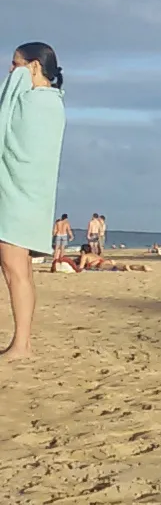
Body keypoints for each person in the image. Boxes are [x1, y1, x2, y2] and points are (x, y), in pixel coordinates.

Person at [0, 42, 67, 361]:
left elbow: (16, 143)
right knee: (21, 269)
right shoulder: (53, 102)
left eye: (15, 65)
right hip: (30, 196)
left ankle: (22, 344)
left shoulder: (36, 102)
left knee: (15, 270)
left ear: (34, 67)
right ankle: (22, 342)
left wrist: (16, 82)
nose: (10, 72)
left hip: (17, 195)